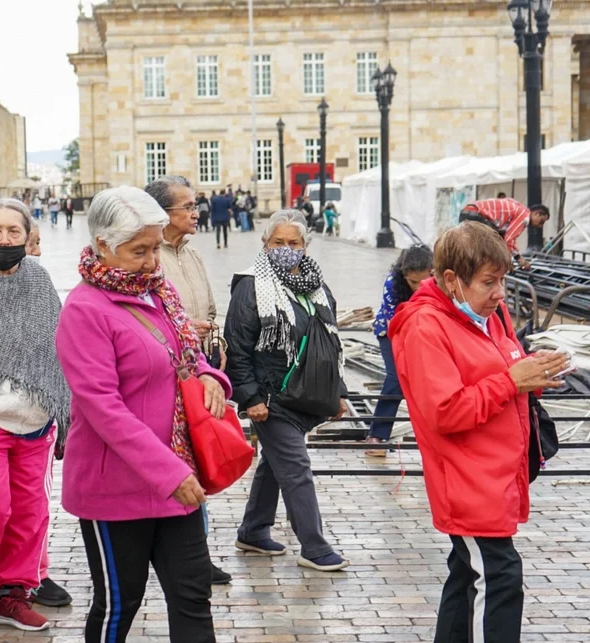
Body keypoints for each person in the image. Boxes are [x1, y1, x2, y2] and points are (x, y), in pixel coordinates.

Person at [56, 186, 231, 643]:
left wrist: (213, 377)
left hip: (177, 477)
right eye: (140, 250)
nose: (154, 260)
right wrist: (167, 470)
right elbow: (102, 407)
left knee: (193, 596)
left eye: (155, 247)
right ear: (102, 246)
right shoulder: (85, 309)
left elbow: (188, 356)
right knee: (119, 603)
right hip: (115, 486)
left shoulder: (159, 291)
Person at [389, 221, 569, 643]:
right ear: (452, 280)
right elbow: (445, 411)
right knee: (500, 577)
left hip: (497, 472)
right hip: (467, 478)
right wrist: (512, 380)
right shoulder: (425, 326)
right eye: (489, 282)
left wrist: (535, 371)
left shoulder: (490, 311)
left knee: (466, 573)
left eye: (502, 280)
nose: (500, 292)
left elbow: (506, 363)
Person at [0, 200, 72, 631]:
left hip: (36, 419)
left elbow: (55, 346)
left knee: (31, 513)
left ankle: (11, 593)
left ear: (27, 236)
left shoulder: (39, 279)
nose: (4, 240)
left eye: (13, 232)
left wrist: (65, 410)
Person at [225, 209, 350, 572]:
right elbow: (238, 344)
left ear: (306, 246)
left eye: (293, 243)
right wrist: (249, 399)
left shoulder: (318, 288)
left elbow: (332, 343)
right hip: (270, 397)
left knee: (275, 463)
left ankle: (253, 530)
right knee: (296, 466)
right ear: (265, 244)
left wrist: (338, 390)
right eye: (278, 242)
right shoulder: (251, 286)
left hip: (307, 394)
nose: (286, 249)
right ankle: (314, 546)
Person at [146, 176, 230, 585]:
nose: (196, 212)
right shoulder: (149, 257)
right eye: (188, 206)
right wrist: (182, 330)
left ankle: (198, 549)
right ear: (164, 214)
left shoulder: (191, 254)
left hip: (199, 368)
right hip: (167, 374)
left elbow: (210, 307)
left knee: (198, 458)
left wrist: (213, 336)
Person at [365, 245, 434, 457]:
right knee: (396, 378)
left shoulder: (439, 281)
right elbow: (394, 321)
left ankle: (435, 436)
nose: (418, 287)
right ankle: (376, 434)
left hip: (423, 331)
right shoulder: (393, 283)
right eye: (412, 282)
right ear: (404, 274)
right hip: (391, 331)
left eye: (423, 281)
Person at [458, 198, 550, 270]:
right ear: (536, 213)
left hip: (467, 211)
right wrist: (520, 260)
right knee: (493, 246)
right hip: (477, 214)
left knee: (474, 248)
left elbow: (506, 237)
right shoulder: (524, 216)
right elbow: (509, 239)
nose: (540, 226)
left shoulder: (518, 206)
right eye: (541, 221)